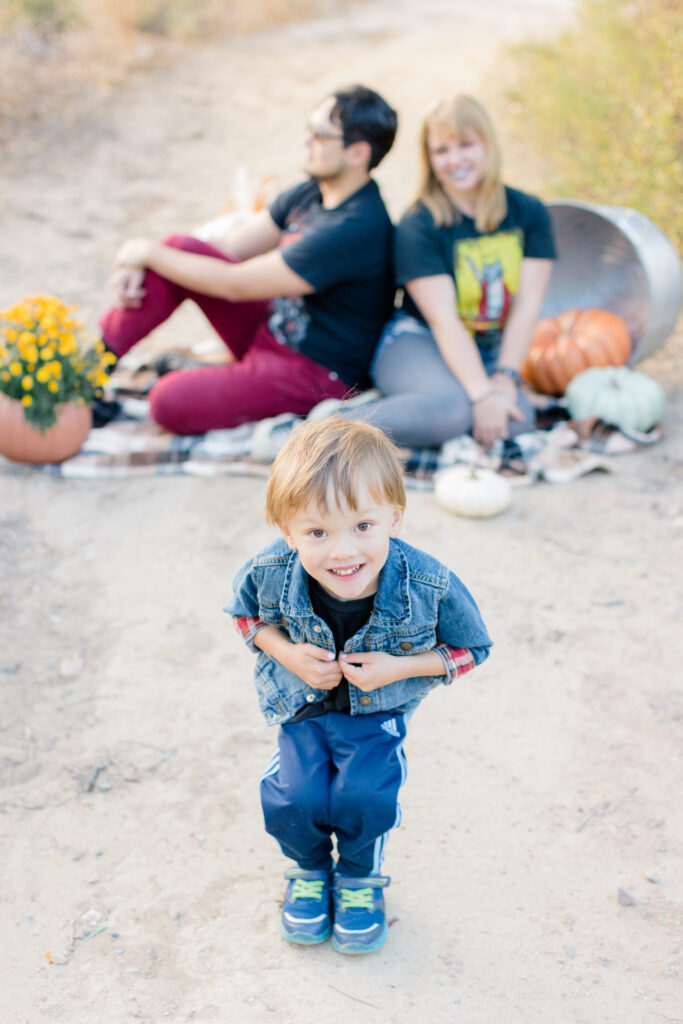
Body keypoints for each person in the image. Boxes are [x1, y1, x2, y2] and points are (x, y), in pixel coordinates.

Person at [227, 417, 491, 954]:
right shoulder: (270, 569)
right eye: (317, 533)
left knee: (366, 797)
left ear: (395, 517)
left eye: (362, 527)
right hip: (302, 704)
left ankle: (357, 878)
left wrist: (399, 668)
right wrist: (288, 654)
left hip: (377, 714)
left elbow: (472, 650)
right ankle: (308, 870)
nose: (342, 552)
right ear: (288, 531)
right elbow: (244, 616)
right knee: (292, 798)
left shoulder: (428, 582)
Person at [99, 85, 397, 435]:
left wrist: (146, 251)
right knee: (179, 248)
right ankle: (90, 367)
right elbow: (229, 250)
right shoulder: (311, 193)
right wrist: (143, 257)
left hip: (314, 373)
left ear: (358, 152)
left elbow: (233, 283)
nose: (306, 142)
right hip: (268, 331)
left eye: (319, 135)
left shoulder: (355, 226)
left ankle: (206, 377)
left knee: (166, 402)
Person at [336, 94, 556, 449]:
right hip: (417, 341)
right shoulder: (419, 225)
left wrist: (505, 378)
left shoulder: (528, 213)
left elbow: (528, 304)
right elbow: (444, 321)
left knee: (517, 421)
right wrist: (483, 396)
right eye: (441, 151)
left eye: (466, 145)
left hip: (486, 348)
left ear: (488, 144)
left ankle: (420, 417)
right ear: (429, 159)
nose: (455, 160)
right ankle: (313, 433)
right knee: (450, 411)